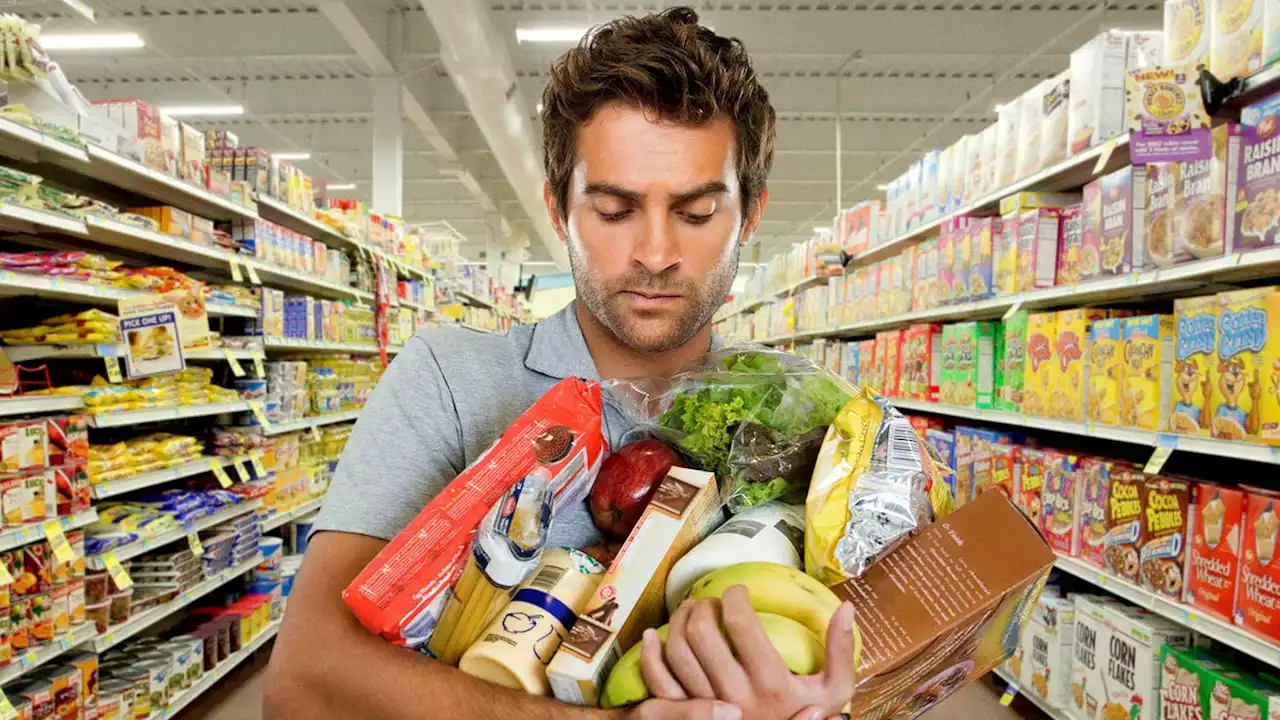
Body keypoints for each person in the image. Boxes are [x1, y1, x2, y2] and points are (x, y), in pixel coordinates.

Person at [263, 8, 856, 720]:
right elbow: (303, 683)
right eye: (613, 210)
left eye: (698, 213)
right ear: (558, 210)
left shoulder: (804, 417)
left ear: (750, 215)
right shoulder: (450, 381)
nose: (657, 253)